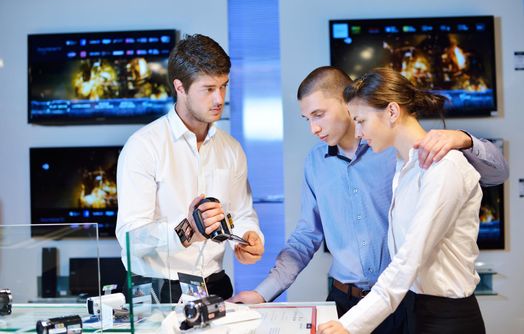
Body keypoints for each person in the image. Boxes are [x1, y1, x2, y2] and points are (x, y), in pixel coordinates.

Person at [230, 66, 508, 333]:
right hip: (346, 300)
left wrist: (465, 139)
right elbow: (305, 237)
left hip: (401, 303)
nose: (313, 128)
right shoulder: (321, 163)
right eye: (307, 119)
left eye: (319, 114)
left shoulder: (408, 155)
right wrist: (262, 293)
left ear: (347, 103)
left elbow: (495, 173)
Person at [317, 67, 488, 334]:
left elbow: (409, 260)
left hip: (446, 320)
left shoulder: (444, 166)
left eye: (361, 120)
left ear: (392, 112)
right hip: (411, 311)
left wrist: (348, 325)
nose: (358, 132)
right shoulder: (404, 166)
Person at [116, 34, 264, 303]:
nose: (219, 98)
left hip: (215, 285)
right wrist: (186, 231)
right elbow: (130, 237)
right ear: (180, 87)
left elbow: (242, 213)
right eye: (208, 89)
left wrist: (248, 237)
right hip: (155, 291)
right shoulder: (143, 146)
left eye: (224, 86)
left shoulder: (231, 149)